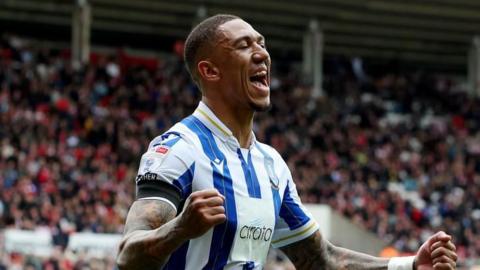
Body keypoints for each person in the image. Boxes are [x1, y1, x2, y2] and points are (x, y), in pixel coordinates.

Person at [116, 14, 457, 270]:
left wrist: (410, 265)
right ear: (210, 71)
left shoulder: (270, 165)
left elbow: (321, 260)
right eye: (243, 45)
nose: (261, 53)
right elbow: (128, 256)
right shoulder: (179, 149)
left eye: (261, 43)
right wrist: (180, 228)